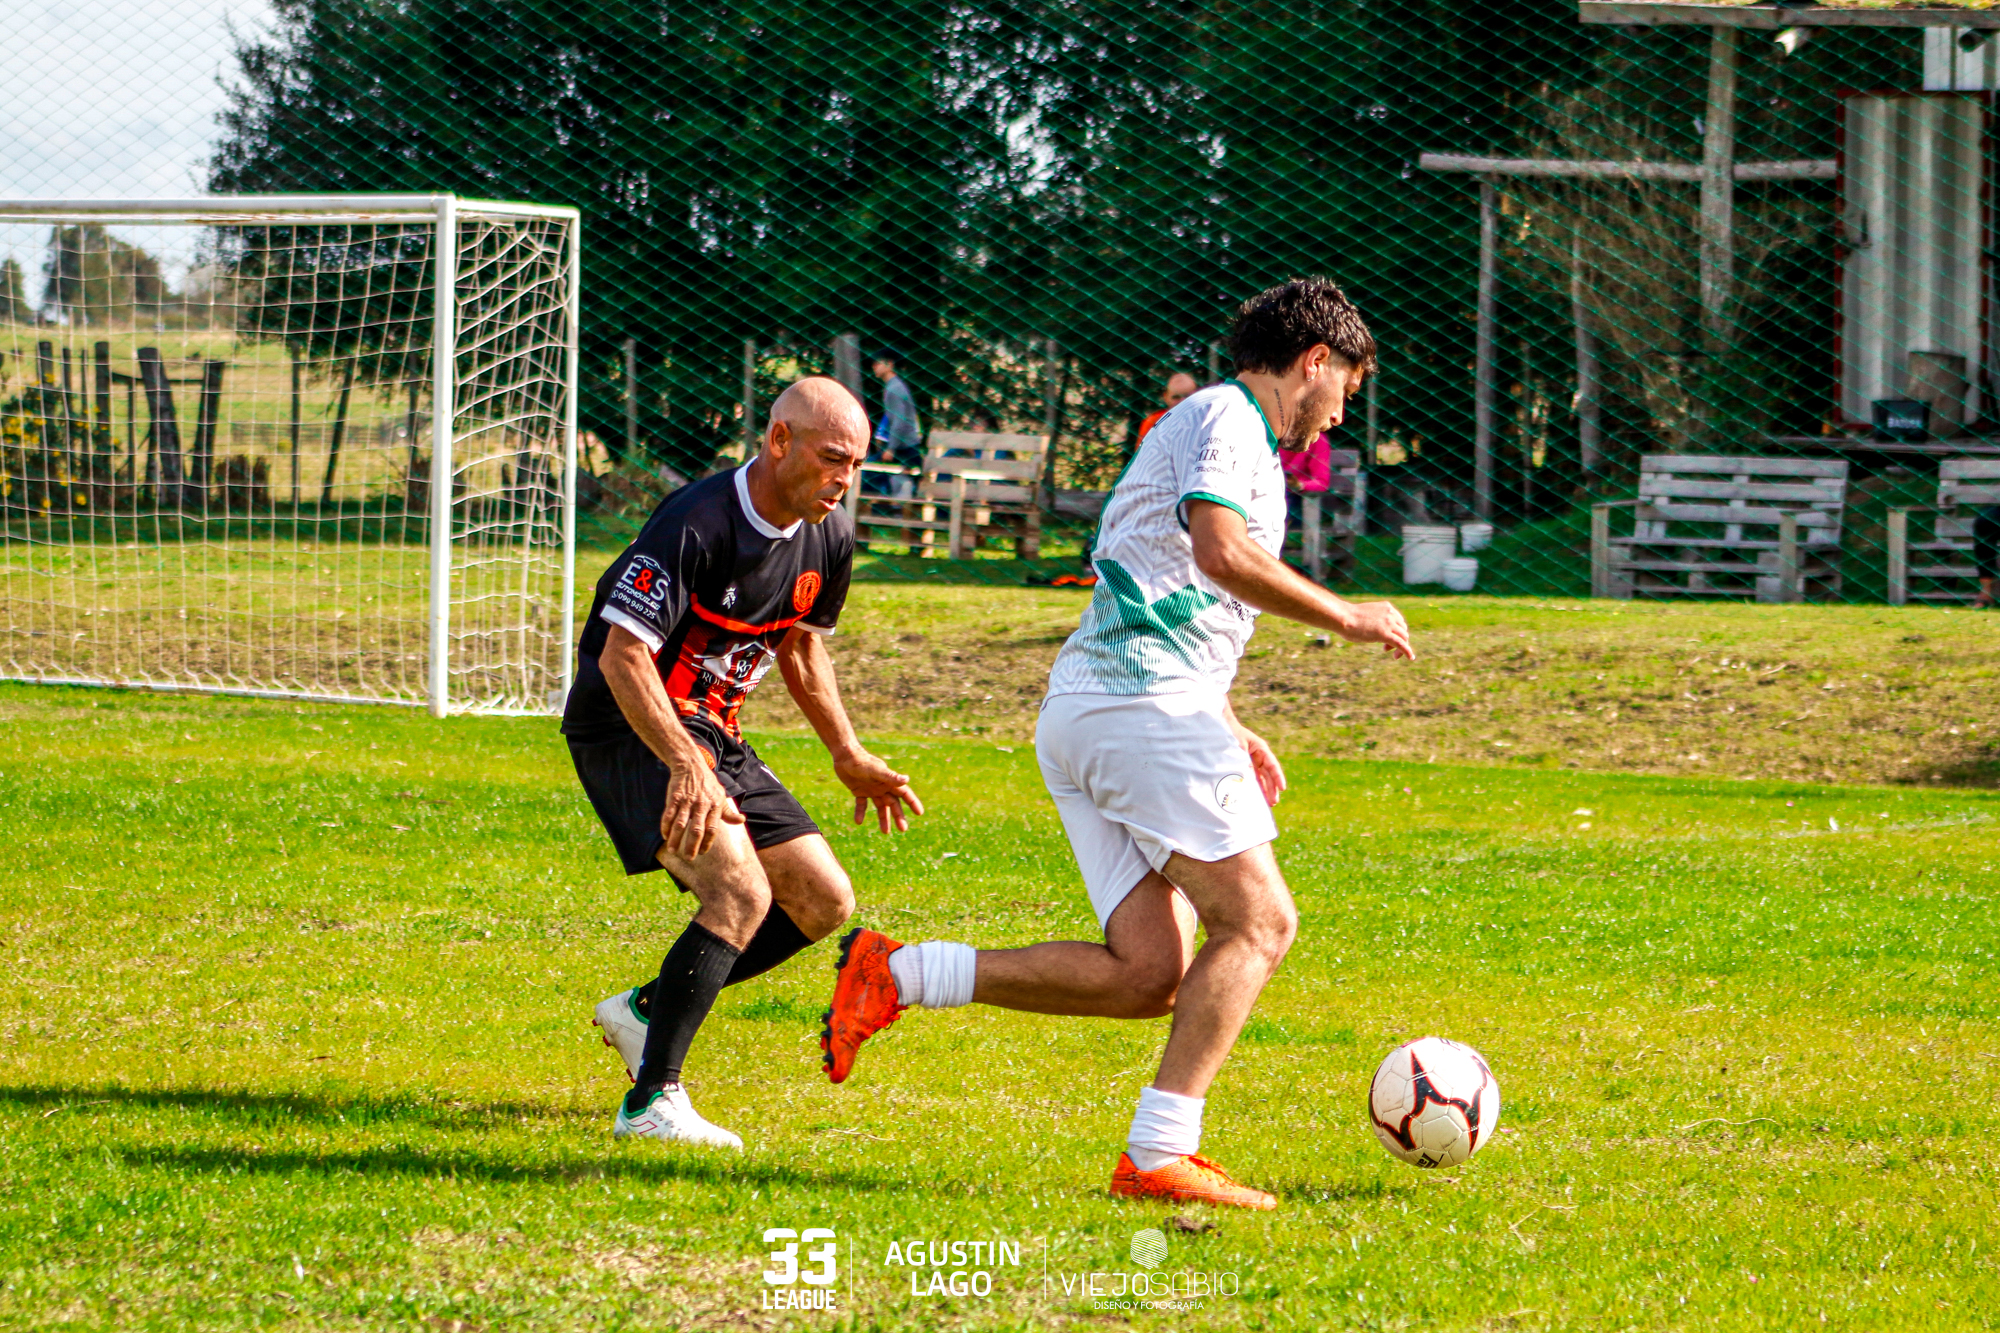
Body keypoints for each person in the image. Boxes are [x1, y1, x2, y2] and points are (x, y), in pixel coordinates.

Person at [820, 278, 1413, 1209]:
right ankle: (1160, 1152)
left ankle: (896, 974)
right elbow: (1218, 552)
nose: (1341, 413)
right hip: (1139, 709)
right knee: (1259, 923)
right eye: (1346, 386)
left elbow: (1173, 590)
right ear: (1314, 360)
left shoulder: (1230, 433)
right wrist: (1348, 615)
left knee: (1148, 972)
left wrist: (1226, 719)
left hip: (1099, 708)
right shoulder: (1229, 416)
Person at [564, 376, 924, 1150]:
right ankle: (650, 1101)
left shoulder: (829, 536)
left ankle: (648, 1011)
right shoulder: (695, 521)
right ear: (778, 440)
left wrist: (847, 751)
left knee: (824, 898)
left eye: (857, 464)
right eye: (833, 458)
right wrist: (685, 764)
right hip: (628, 722)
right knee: (739, 891)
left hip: (712, 728)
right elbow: (622, 655)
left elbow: (802, 648)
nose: (845, 479)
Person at [870, 350, 923, 499]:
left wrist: (891, 448)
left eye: (878, 363)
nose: (874, 367)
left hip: (905, 450)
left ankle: (882, 507)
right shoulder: (893, 386)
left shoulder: (894, 389)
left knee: (869, 472)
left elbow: (899, 421)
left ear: (890, 365)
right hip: (903, 448)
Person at [1136, 372, 1199, 446]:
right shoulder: (1153, 423)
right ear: (1166, 397)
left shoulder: (1207, 420)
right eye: (1176, 397)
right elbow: (1143, 452)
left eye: (1187, 396)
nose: (1182, 402)